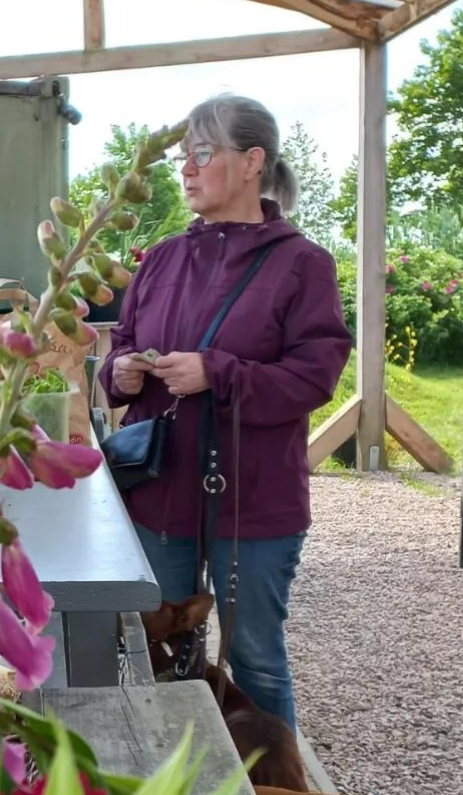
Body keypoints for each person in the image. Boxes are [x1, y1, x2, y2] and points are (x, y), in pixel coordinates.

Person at [98, 95, 351, 730]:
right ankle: (180, 793)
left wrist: (219, 372)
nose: (186, 168)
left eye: (202, 154)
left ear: (251, 162)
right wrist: (121, 371)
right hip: (161, 491)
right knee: (163, 649)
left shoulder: (303, 265)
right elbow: (121, 351)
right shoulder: (159, 260)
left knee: (255, 657)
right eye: (184, 156)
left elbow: (314, 377)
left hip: (255, 499)